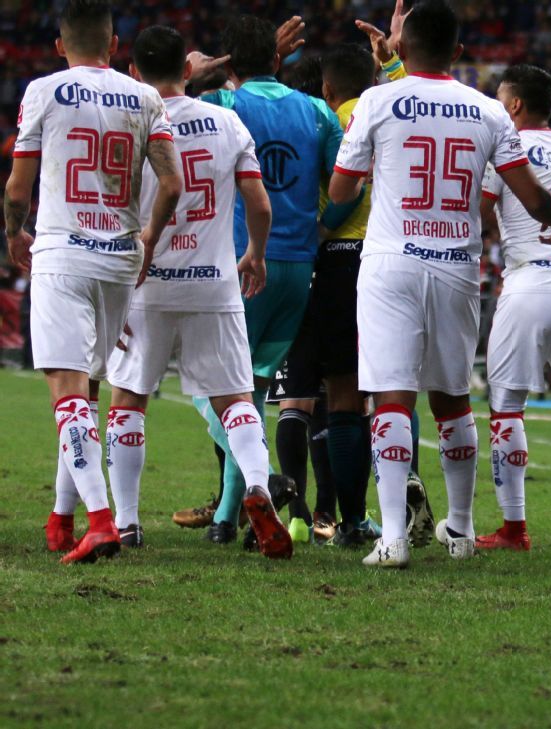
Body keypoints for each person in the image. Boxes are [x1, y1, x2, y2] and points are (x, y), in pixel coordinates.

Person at [330, 0, 551, 569]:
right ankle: (460, 530)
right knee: (453, 399)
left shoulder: (377, 100)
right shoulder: (489, 111)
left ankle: (393, 537)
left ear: (403, 49)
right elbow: (530, 196)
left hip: (391, 264)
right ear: (459, 53)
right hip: (456, 267)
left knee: (389, 394)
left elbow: (341, 191)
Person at [100, 25, 291, 559]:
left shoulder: (129, 118)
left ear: (134, 71)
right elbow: (259, 202)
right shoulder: (228, 121)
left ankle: (128, 521)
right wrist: (254, 251)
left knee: (129, 399)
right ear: (187, 71)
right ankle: (257, 485)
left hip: (145, 282)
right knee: (236, 398)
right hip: (213, 283)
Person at [5, 0, 181, 564]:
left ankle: (100, 523)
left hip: (62, 252)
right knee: (85, 391)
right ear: (113, 46)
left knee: (66, 392)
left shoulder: (44, 90)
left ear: (60, 45)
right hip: (119, 259)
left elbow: (17, 186)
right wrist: (147, 238)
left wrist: (14, 231)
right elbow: (173, 184)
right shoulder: (147, 97)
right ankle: (61, 517)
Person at [190, 15, 353, 545]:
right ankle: (224, 522)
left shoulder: (225, 105)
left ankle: (271, 477)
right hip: (298, 265)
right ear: (279, 60)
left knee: (205, 386)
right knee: (252, 389)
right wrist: (322, 225)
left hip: (244, 263)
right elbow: (346, 183)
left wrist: (217, 70)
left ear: (231, 63)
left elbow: (176, 88)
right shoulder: (315, 110)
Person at [272, 43, 431, 549]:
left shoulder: (324, 117)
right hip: (393, 257)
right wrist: (395, 61)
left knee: (328, 393)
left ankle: (341, 517)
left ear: (327, 86)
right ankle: (373, 509)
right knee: (386, 392)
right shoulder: (396, 112)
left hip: (333, 259)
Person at [476, 63, 551, 551]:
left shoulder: (505, 147)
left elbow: (479, 216)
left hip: (528, 286)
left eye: (501, 98)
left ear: (515, 105)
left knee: (507, 408)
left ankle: (514, 528)